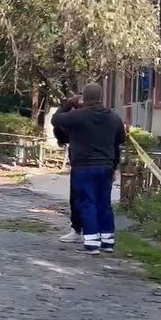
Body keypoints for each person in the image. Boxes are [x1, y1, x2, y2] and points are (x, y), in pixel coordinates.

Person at [52, 83, 125, 255]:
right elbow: (120, 140)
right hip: (106, 167)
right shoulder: (114, 117)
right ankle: (108, 242)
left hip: (84, 168)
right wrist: (114, 166)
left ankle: (92, 243)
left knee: (87, 203)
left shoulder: (77, 116)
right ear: (101, 97)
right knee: (104, 204)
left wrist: (69, 103)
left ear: (84, 97)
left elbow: (55, 119)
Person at [54, 95, 84, 243]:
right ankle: (101, 235)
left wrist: (68, 104)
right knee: (98, 200)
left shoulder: (74, 118)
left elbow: (56, 119)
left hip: (81, 164)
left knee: (78, 199)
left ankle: (77, 230)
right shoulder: (107, 116)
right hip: (102, 165)